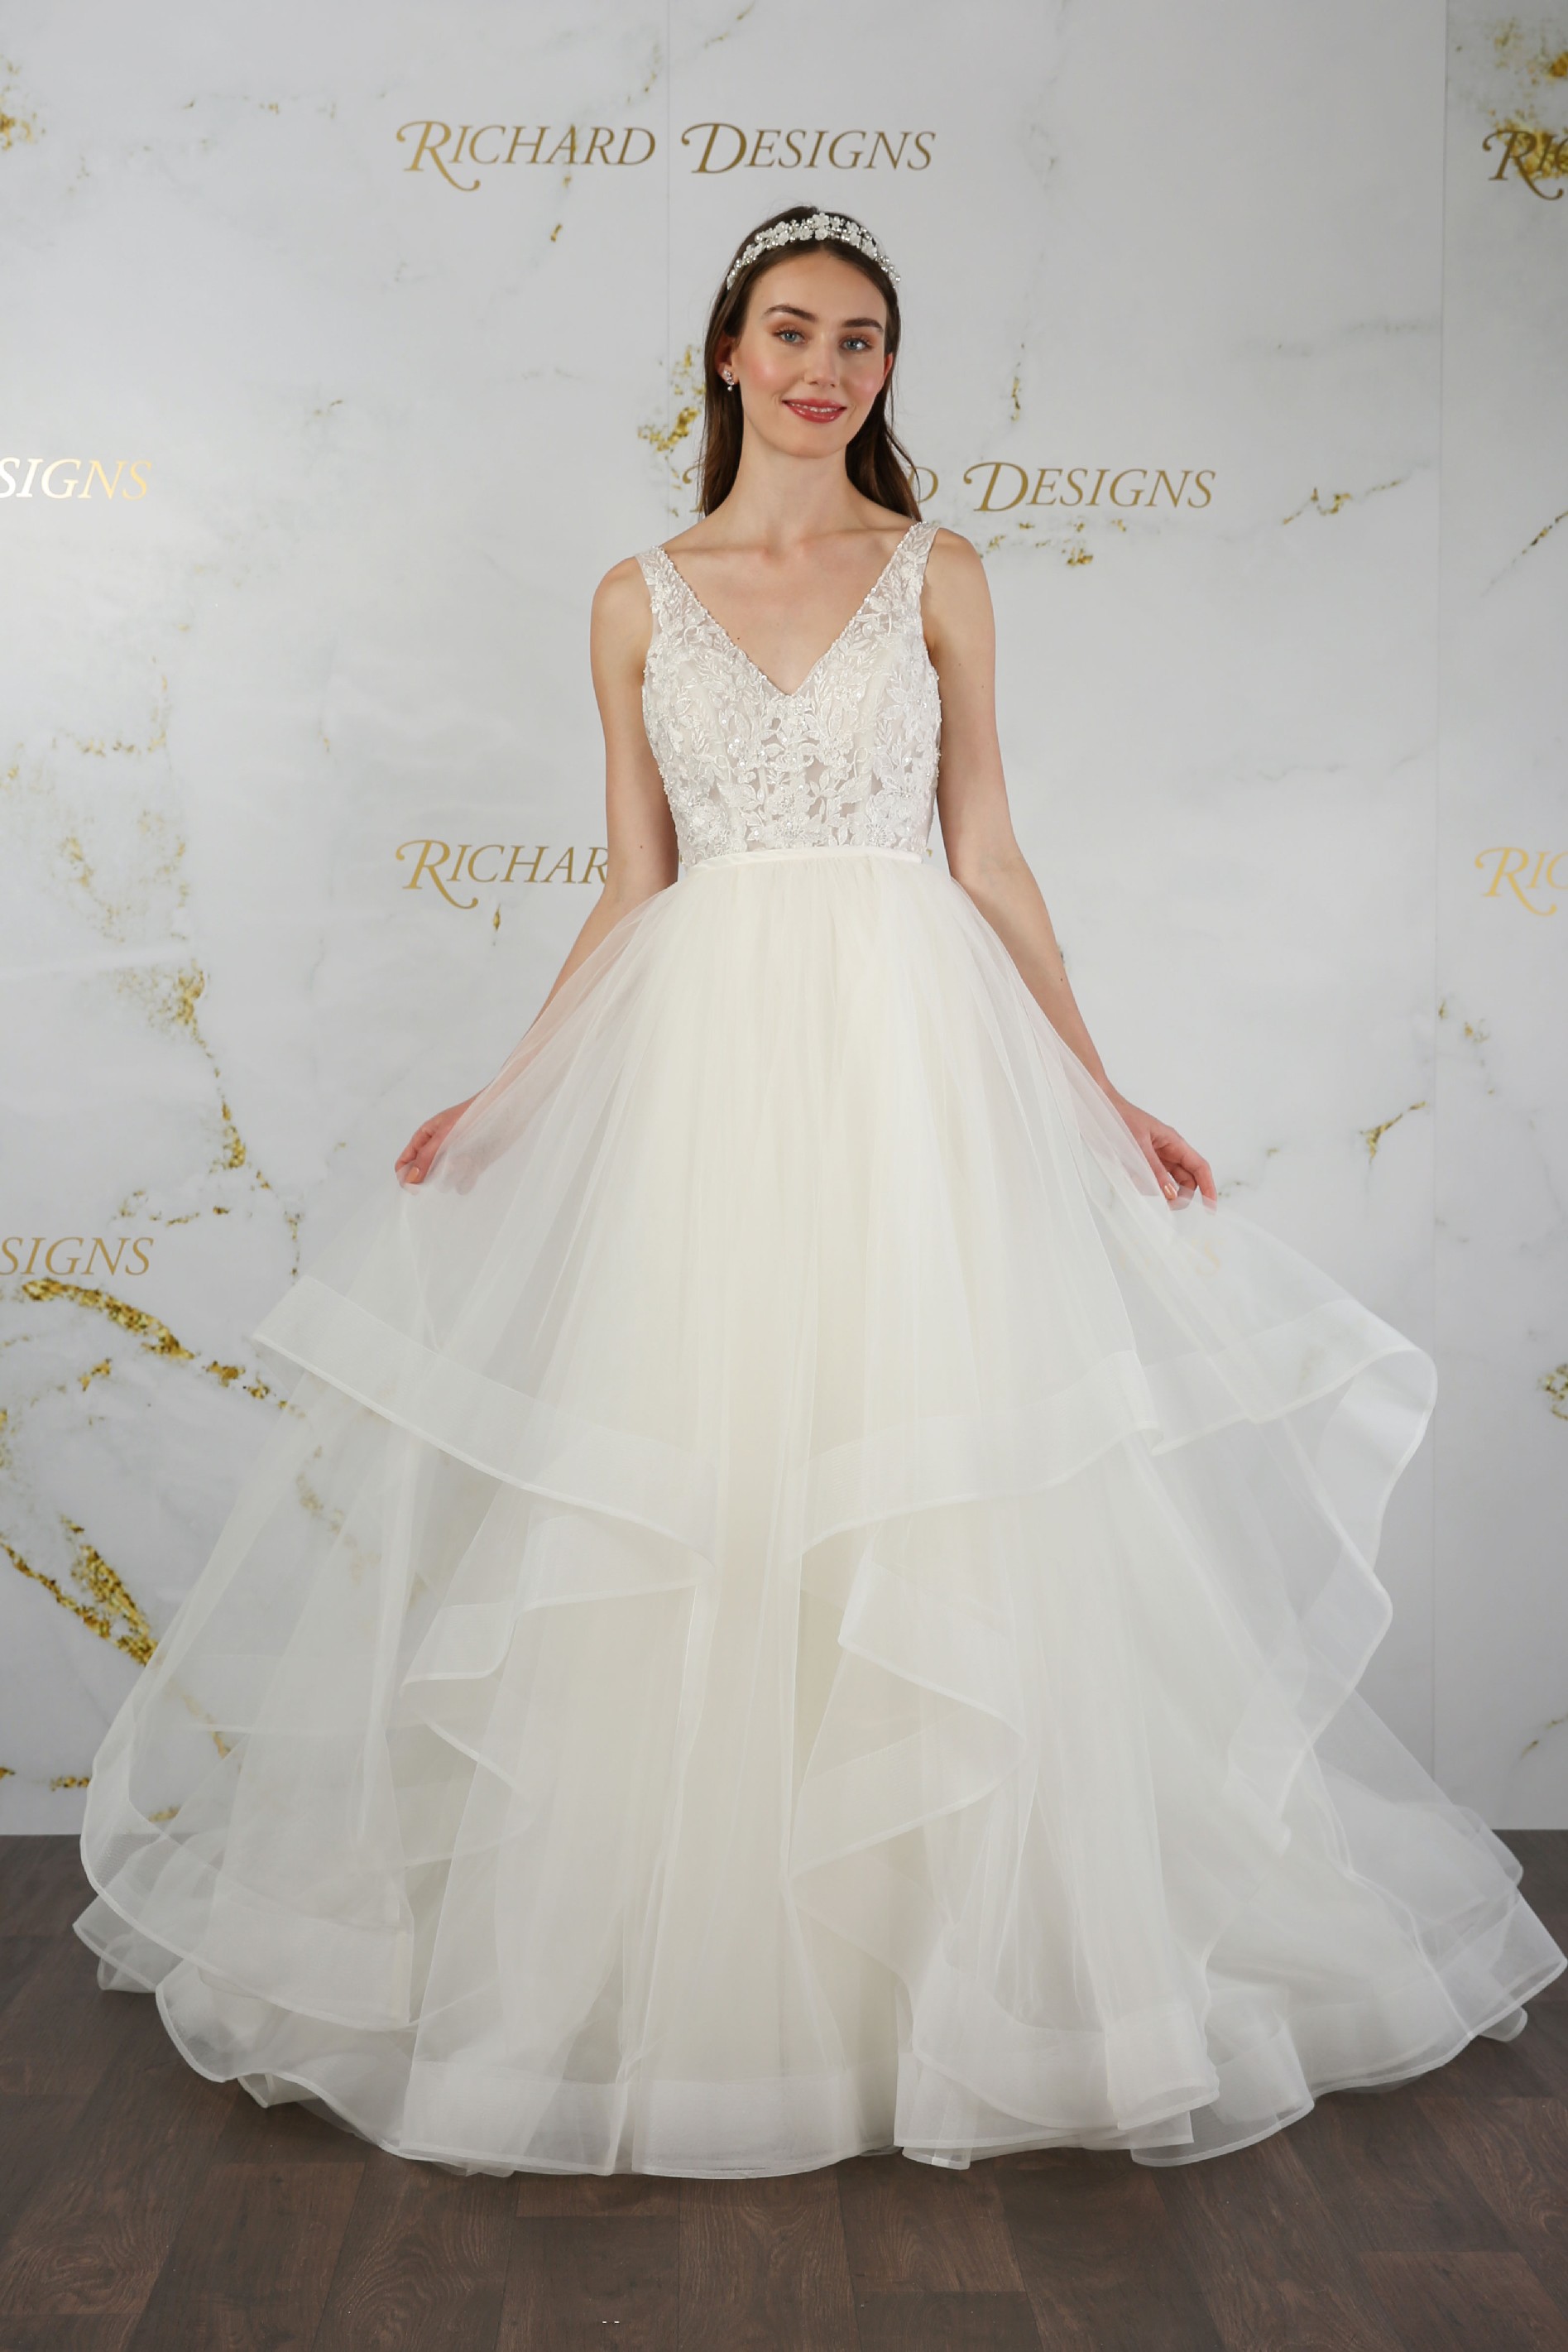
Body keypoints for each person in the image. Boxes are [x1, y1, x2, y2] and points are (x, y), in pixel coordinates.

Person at [75, 204, 1564, 2180]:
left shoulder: (939, 571)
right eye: (792, 330)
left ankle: (954, 1964)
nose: (826, 368)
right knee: (706, 1469)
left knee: (925, 1473)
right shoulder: (635, 596)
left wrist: (1101, 1091)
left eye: (861, 339)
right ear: (726, 350)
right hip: (703, 1076)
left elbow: (989, 853)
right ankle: (707, 1962)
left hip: (911, 1068)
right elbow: (635, 880)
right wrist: (512, 1094)